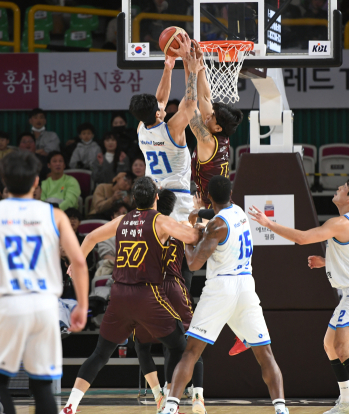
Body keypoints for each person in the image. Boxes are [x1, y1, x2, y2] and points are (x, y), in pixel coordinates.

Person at [0, 150, 89, 414]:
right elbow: (78, 262)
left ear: (4, 181)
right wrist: (82, 305)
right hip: (45, 306)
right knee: (42, 387)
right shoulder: (56, 216)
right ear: (36, 183)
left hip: (8, 304)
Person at [61, 177, 201, 414]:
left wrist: (76, 263)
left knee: (100, 354)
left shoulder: (121, 220)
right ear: (156, 197)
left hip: (118, 297)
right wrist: (195, 221)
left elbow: (90, 237)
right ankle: (169, 403)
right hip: (148, 295)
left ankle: (70, 405)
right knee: (180, 346)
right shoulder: (161, 221)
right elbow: (192, 238)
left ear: (133, 199)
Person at [248, 177, 349, 414]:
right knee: (330, 345)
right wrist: (327, 262)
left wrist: (268, 223)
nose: (338, 188)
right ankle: (347, 399)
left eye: (343, 187)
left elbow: (302, 238)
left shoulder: (341, 222)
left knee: (343, 347)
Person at [161, 175, 287, 414]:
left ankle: (170, 407)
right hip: (246, 288)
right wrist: (200, 215)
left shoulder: (217, 226)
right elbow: (216, 218)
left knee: (191, 351)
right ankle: (281, 408)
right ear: (230, 195)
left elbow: (195, 263)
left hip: (222, 289)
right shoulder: (239, 212)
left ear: (208, 196)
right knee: (265, 354)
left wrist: (189, 234)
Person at [134, 189, 205, 414]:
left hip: (150, 289)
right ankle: (197, 398)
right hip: (174, 286)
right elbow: (197, 237)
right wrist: (198, 212)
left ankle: (161, 397)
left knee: (142, 346)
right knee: (192, 344)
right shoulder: (178, 226)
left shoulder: (143, 228)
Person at [129, 35, 201, 222]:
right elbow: (190, 104)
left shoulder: (141, 129)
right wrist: (190, 68)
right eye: (159, 108)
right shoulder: (172, 130)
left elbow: (160, 100)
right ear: (157, 114)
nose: (162, 105)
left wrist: (168, 67)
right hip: (179, 200)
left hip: (154, 203)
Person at [178, 41, 242, 208]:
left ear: (218, 127)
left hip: (210, 210)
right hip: (221, 205)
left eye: (212, 116)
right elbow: (204, 98)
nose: (209, 115)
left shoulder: (207, 140)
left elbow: (189, 105)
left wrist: (192, 70)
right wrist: (198, 64)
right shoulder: (217, 131)